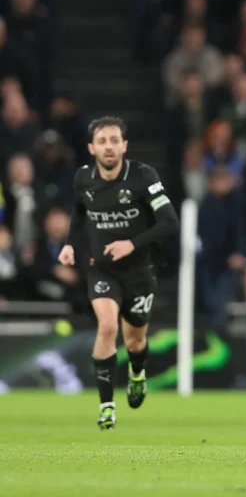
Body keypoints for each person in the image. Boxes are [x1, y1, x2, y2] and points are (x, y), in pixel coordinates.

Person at [58, 117, 180, 429]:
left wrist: (132, 243)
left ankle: (137, 372)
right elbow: (79, 213)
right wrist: (70, 245)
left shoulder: (143, 176)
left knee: (136, 341)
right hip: (102, 270)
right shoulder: (83, 178)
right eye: (102, 141)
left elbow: (169, 222)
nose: (109, 146)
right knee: (108, 327)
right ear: (91, 148)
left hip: (139, 271)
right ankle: (106, 406)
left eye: (114, 140)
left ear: (124, 145)